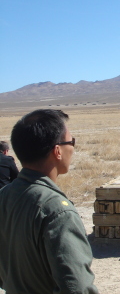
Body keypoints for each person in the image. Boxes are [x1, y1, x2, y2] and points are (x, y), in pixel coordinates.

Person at [0, 109, 98, 294]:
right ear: (57, 151)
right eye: (72, 142)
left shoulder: (5, 195)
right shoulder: (56, 211)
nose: (73, 148)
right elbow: (77, 287)